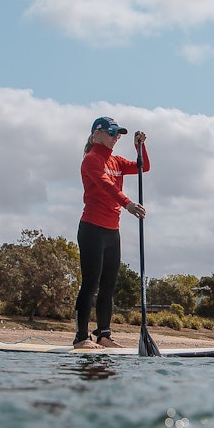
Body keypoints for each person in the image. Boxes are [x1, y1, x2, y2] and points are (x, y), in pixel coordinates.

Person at [74, 116, 150, 349]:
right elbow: (105, 184)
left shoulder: (115, 160)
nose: (116, 137)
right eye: (111, 133)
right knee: (90, 284)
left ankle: (104, 335)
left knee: (109, 286)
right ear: (96, 134)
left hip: (112, 231)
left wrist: (140, 147)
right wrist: (127, 203)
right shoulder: (91, 159)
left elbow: (142, 167)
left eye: (118, 134)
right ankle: (81, 338)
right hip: (92, 229)